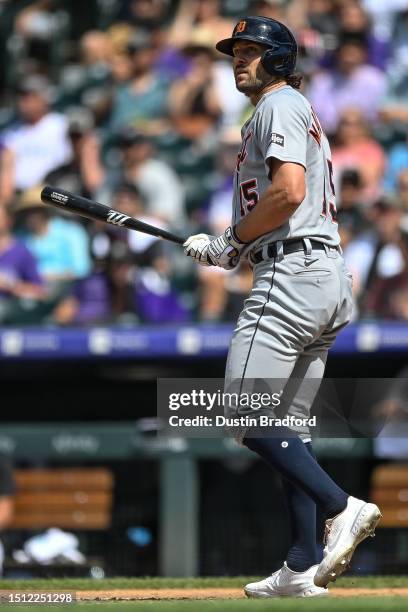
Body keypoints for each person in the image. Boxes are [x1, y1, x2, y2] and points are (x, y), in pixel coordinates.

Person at [183, 16, 381, 597]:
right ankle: (301, 562)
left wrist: (232, 240)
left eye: (251, 51)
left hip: (291, 272)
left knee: (243, 413)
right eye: (235, 52)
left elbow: (288, 191)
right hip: (320, 272)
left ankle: (340, 506)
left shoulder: (277, 103)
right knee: (286, 423)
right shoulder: (289, 107)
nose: (239, 60)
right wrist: (237, 242)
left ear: (279, 58)